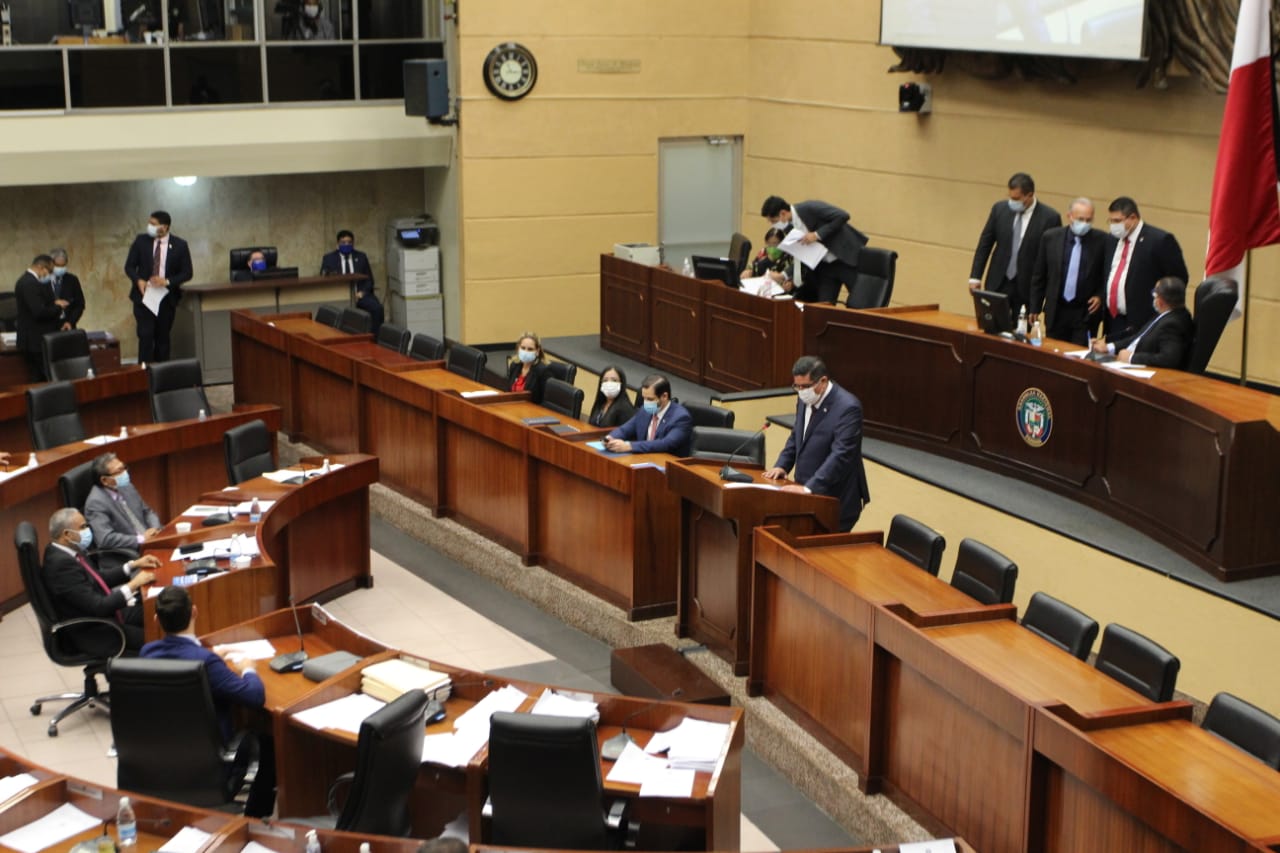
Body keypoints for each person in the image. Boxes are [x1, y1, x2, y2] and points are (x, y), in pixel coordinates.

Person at [141, 586, 276, 818]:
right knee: (268, 742)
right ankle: (253, 821)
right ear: (194, 612)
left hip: (161, 759)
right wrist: (248, 670)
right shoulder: (205, 662)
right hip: (209, 764)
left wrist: (212, 655)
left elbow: (180, 656)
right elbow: (254, 696)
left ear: (156, 620)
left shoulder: (147, 653)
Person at [763, 356, 870, 531]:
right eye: (796, 386)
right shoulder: (805, 398)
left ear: (823, 381)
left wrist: (809, 489)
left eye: (805, 386)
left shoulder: (848, 408)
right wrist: (782, 465)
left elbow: (841, 455)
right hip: (805, 494)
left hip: (836, 500)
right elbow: (798, 434)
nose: (800, 391)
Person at [42, 508, 158, 656]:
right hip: (96, 630)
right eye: (83, 527)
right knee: (157, 640)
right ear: (67, 534)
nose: (87, 530)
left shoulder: (68, 549)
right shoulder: (61, 566)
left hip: (106, 614)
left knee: (158, 610)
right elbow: (98, 607)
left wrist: (133, 565)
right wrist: (134, 584)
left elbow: (97, 578)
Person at [968, 172, 1061, 318]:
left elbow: (1050, 262)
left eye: (1016, 199)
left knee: (1020, 334)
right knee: (992, 328)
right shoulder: (999, 209)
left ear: (1029, 195)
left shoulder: (1050, 218)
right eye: (1010, 197)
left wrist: (1040, 299)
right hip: (998, 282)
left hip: (1026, 287)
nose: (1012, 201)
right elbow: (985, 244)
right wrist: (975, 277)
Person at [1102, 196, 1189, 339]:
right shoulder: (1112, 239)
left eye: (1117, 221)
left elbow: (1178, 280)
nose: (1113, 225)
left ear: (1133, 217)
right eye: (1110, 221)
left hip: (1145, 322)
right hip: (1114, 320)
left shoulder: (1160, 240)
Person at [1027, 198, 1107, 345]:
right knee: (1053, 352)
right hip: (1057, 310)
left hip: (1084, 313)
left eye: (1089, 220)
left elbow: (1107, 275)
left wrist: (1100, 296)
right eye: (1080, 219)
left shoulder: (1102, 241)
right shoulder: (1050, 237)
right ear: (1069, 216)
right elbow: (1039, 276)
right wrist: (1034, 307)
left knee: (1078, 357)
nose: (1084, 223)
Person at [760, 196, 868, 304]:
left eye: (774, 221)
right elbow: (801, 253)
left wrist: (817, 234)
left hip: (845, 259)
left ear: (783, 213)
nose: (774, 225)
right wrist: (784, 275)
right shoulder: (789, 228)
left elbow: (843, 215)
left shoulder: (809, 208)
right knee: (822, 308)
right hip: (825, 266)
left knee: (860, 304)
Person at [123, 210, 193, 364]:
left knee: (163, 339)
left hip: (166, 299)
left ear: (165, 227)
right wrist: (138, 280)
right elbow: (129, 266)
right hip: (143, 297)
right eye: (149, 223)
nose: (149, 227)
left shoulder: (180, 245)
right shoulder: (141, 241)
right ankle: (143, 376)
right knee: (145, 336)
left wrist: (167, 281)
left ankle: (162, 375)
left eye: (153, 224)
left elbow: (187, 273)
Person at [84, 452, 162, 577]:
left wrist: (155, 529)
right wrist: (141, 539)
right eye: (119, 471)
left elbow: (147, 511)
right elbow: (105, 539)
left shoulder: (126, 486)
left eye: (124, 467)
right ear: (104, 480)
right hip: (126, 558)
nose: (125, 473)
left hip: (151, 543)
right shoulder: (95, 503)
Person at [1091, 277, 1194, 369]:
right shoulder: (1164, 314)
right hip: (1124, 361)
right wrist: (1109, 347)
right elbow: (1137, 338)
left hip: (1139, 370)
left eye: (1155, 294)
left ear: (1160, 301)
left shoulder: (1173, 324)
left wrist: (1132, 357)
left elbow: (1168, 359)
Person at [605, 374, 693, 457]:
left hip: (668, 465)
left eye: (650, 399)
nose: (645, 403)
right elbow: (625, 429)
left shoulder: (681, 418)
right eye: (644, 398)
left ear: (664, 396)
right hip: (643, 459)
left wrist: (629, 446)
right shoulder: (644, 410)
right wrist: (610, 438)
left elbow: (665, 443)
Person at [15, 254, 69, 382]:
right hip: (35, 341)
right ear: (40, 267)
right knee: (42, 378)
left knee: (39, 377)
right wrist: (59, 307)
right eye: (49, 271)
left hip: (34, 340)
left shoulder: (26, 280)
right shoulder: (30, 283)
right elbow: (39, 312)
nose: (49, 274)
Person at [320, 230, 383, 333]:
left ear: (353, 243)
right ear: (338, 244)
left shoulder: (361, 257)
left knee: (377, 308)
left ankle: (375, 338)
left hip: (360, 295)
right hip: (338, 296)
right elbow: (323, 278)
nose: (346, 245)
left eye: (349, 242)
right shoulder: (329, 258)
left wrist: (362, 293)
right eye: (343, 242)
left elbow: (369, 280)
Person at [506, 332, 551, 405]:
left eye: (530, 349)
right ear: (518, 349)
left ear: (537, 351)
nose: (525, 352)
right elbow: (508, 391)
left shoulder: (542, 371)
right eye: (523, 348)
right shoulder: (514, 365)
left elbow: (545, 401)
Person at [49, 249, 86, 330]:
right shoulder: (43, 280)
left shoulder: (72, 280)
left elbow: (80, 304)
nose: (61, 268)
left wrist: (70, 321)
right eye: (58, 265)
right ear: (51, 264)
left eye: (63, 266)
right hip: (47, 325)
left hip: (67, 326)